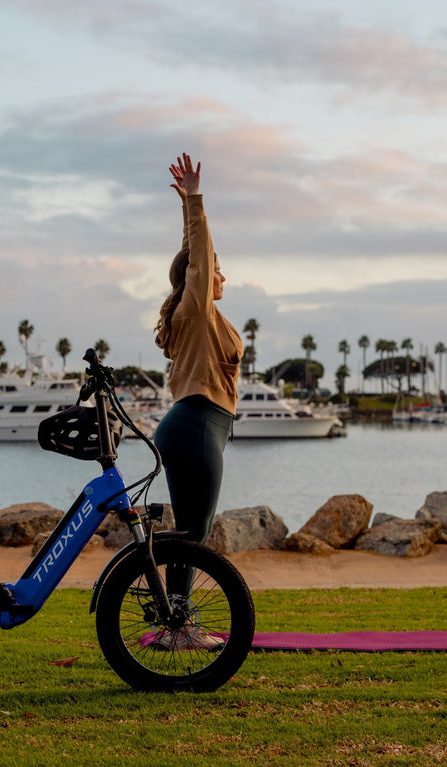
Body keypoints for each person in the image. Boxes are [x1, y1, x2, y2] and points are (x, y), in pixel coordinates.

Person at [153, 152, 243, 578]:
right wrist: (193, 200)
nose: (220, 278)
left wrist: (185, 214)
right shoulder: (196, 311)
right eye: (215, 273)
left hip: (191, 427)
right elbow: (199, 257)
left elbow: (195, 253)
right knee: (194, 534)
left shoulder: (195, 316)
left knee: (188, 534)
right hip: (198, 426)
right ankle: (176, 615)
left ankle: (172, 613)